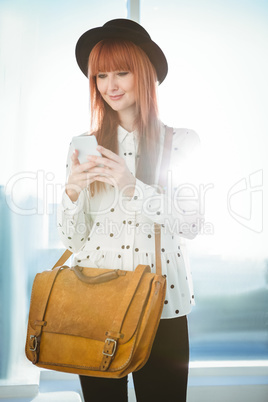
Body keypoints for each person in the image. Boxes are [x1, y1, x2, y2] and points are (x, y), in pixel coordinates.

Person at [57, 18, 201, 402]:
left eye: (122, 72)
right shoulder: (83, 144)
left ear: (145, 74)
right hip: (95, 302)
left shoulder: (180, 142)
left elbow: (191, 223)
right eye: (101, 76)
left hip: (163, 304)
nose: (111, 86)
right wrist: (71, 191)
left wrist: (131, 185)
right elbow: (72, 239)